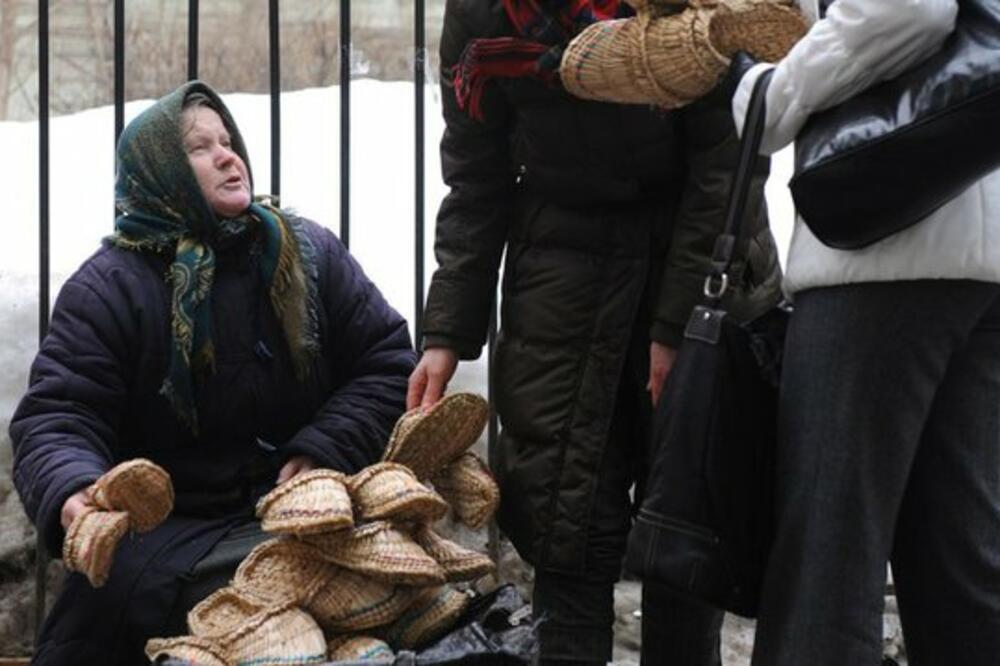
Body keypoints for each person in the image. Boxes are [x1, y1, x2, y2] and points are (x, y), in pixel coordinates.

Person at [406, 1, 783, 663]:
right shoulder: (483, 16)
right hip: (561, 278)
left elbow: (726, 166)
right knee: (565, 522)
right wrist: (446, 331)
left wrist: (677, 330)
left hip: (694, 261)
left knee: (687, 529)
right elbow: (476, 177)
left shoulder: (685, 6)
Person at [9, 81, 416, 665]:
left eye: (228, 141)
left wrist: (324, 448)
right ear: (161, 172)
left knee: (381, 583)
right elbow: (59, 416)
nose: (229, 156)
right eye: (200, 148)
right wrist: (76, 495)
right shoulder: (110, 287)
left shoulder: (308, 255)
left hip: (295, 517)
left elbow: (385, 361)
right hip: (165, 540)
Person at [727, 1, 1000, 663]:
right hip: (974, 247)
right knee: (960, 569)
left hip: (880, 256)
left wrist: (771, 93)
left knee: (826, 561)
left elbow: (908, 7)